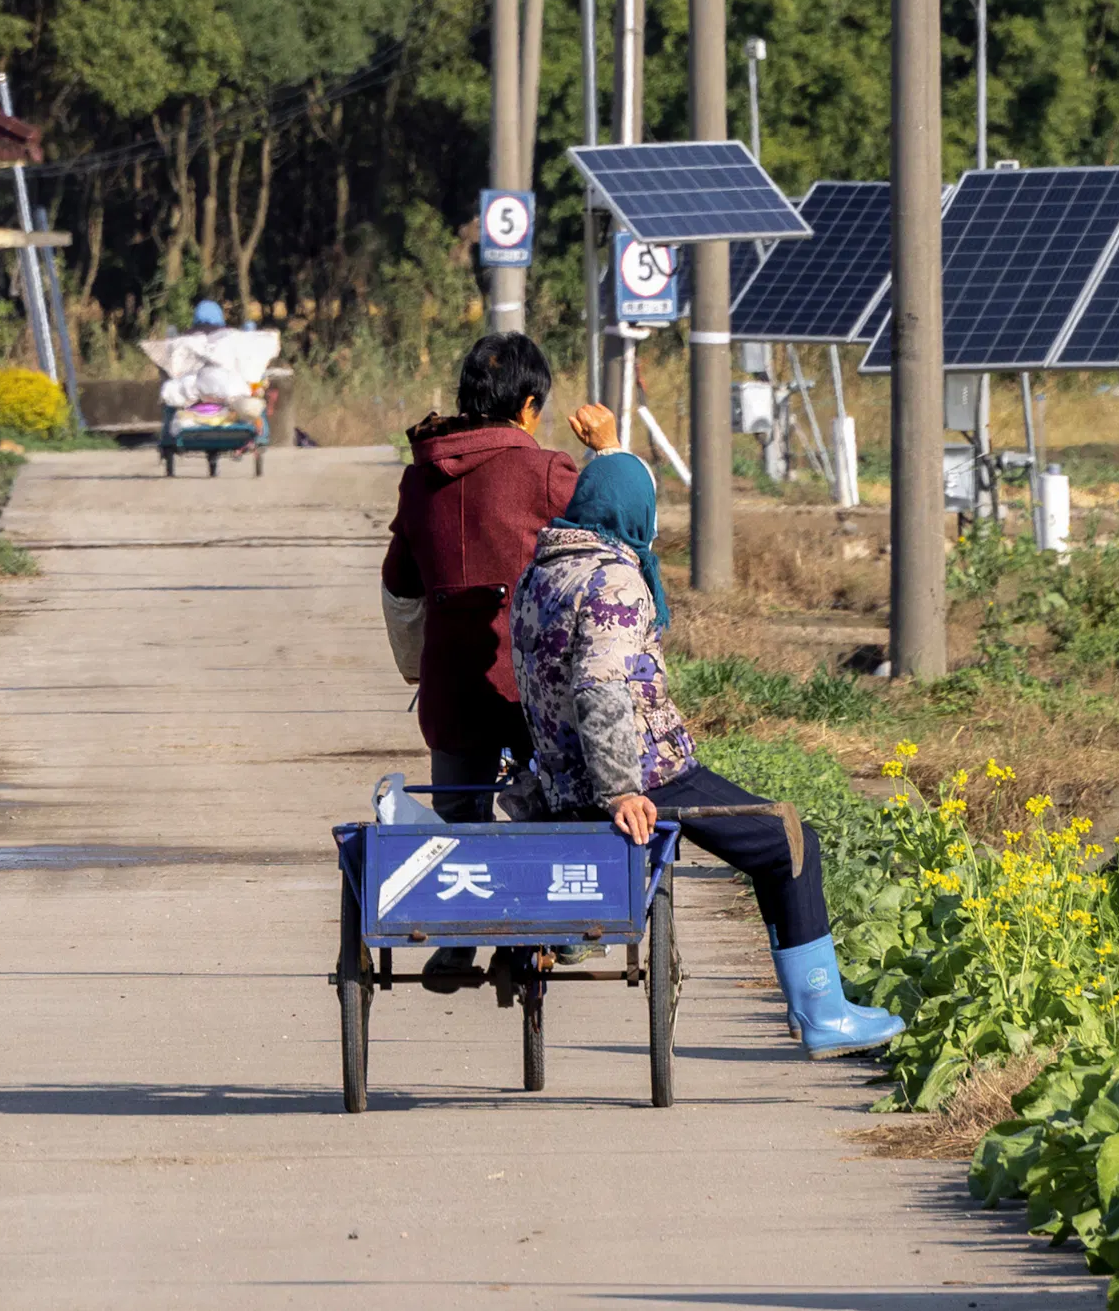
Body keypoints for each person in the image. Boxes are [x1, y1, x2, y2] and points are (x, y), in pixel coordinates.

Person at [506, 450, 901, 1057]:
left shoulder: (540, 575)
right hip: (644, 774)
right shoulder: (613, 579)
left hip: (563, 778)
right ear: (634, 513)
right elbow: (601, 688)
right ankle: (823, 1012)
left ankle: (813, 1009)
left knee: (777, 843)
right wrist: (621, 790)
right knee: (790, 841)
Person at [380, 330, 610, 990]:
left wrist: (419, 664)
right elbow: (607, 547)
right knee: (563, 793)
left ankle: (457, 935)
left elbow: (399, 582)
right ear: (529, 405)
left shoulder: (419, 477)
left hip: (452, 688)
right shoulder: (547, 473)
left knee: (458, 807)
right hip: (537, 686)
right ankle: (563, 925)